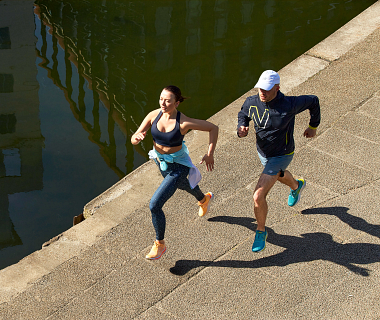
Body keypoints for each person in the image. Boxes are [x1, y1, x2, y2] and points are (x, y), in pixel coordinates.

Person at [131, 85, 219, 260]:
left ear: (177, 103)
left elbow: (213, 128)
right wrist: (137, 138)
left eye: (168, 100)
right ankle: (204, 199)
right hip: (161, 162)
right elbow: (134, 138)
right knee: (182, 185)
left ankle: (160, 245)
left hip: (179, 165)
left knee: (154, 205)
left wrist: (210, 154)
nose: (163, 103)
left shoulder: (183, 122)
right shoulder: (153, 115)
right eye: (161, 99)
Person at [237, 70, 320, 252]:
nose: (262, 93)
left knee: (258, 195)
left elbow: (313, 100)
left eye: (266, 89)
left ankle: (260, 232)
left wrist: (313, 126)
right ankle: (297, 186)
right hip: (263, 153)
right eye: (260, 88)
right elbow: (243, 114)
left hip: (282, 154)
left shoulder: (289, 104)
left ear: (277, 88)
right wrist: (241, 128)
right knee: (278, 175)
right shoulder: (252, 102)